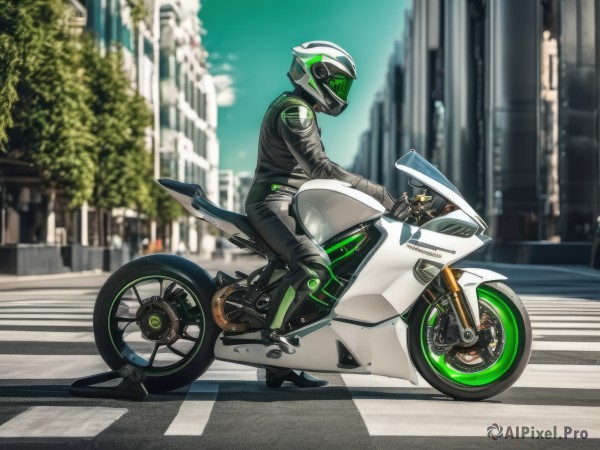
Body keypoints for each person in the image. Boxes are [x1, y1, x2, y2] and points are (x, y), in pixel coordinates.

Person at [245, 41, 401, 388]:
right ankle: (271, 337)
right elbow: (319, 167)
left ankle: (283, 366)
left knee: (334, 259)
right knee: (313, 264)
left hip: (291, 202)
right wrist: (374, 191)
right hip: (273, 201)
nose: (339, 92)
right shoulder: (294, 111)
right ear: (317, 74)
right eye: (338, 82)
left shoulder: (301, 109)